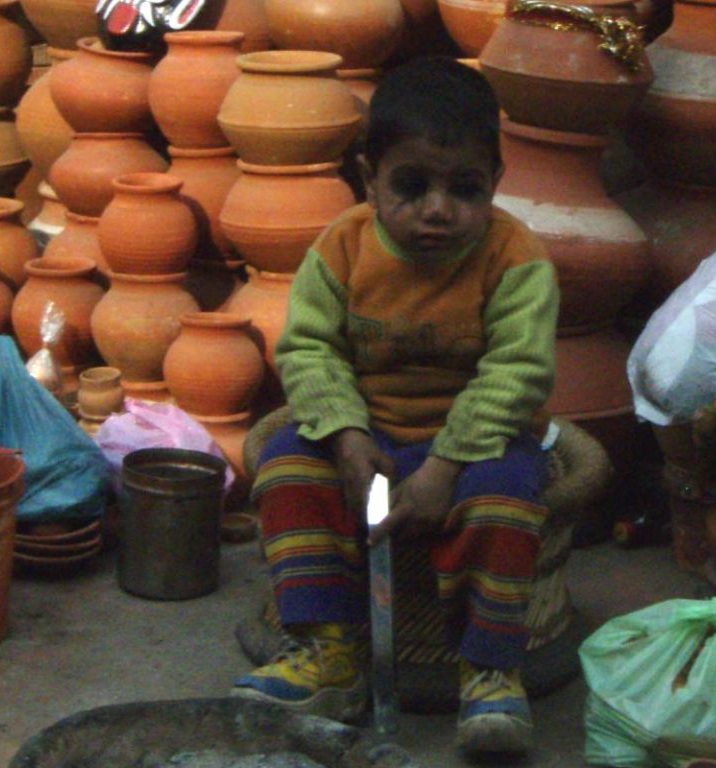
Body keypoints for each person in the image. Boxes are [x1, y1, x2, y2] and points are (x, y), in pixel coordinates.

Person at [230, 57, 559, 757]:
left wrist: (444, 466)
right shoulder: (342, 247)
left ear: (496, 183)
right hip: (370, 432)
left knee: (507, 496)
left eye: (465, 189)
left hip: (477, 440)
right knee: (287, 466)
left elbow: (518, 374)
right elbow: (310, 351)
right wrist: (346, 435)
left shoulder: (517, 258)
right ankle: (333, 652)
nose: (438, 210)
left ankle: (489, 668)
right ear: (368, 177)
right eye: (411, 186)